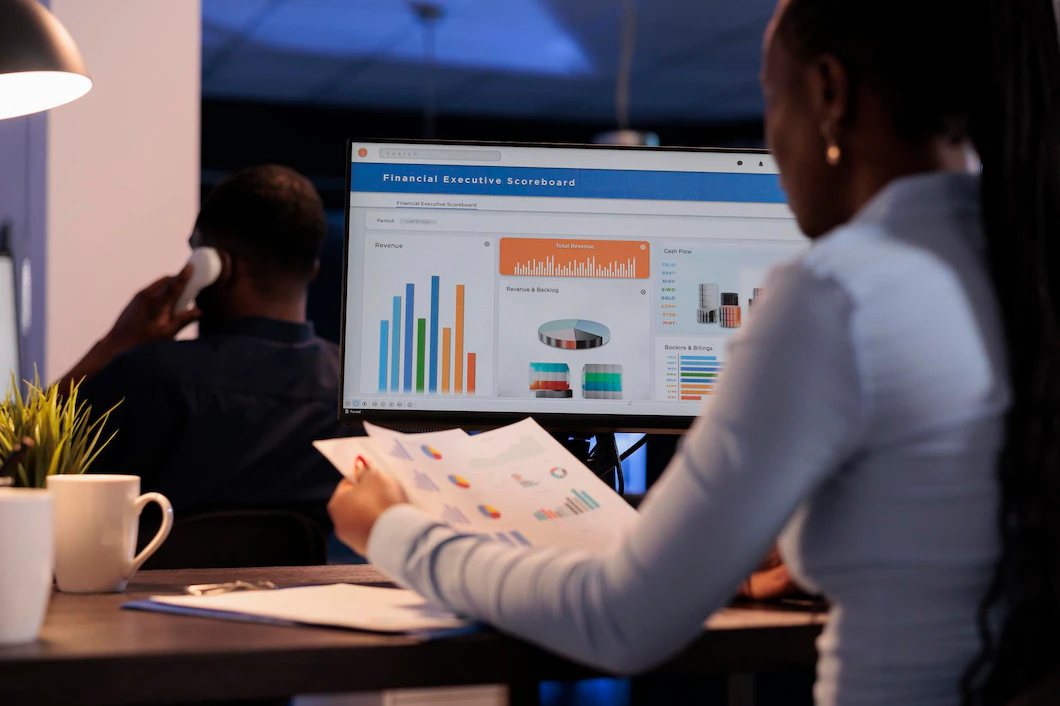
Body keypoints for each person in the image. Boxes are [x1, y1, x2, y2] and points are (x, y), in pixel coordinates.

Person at [326, 0, 1060, 704]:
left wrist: (395, 530)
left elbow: (620, 620)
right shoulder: (1021, 270)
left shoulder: (838, 291)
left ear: (829, 93)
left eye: (772, 102)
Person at [60, 165, 353, 532]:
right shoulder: (352, 392)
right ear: (312, 269)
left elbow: (20, 461)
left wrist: (113, 346)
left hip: (154, 591)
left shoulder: (144, 379)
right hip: (308, 590)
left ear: (217, 267)